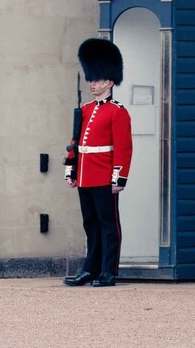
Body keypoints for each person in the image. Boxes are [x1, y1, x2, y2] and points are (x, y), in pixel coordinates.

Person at [62, 38, 132, 287]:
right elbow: (75, 143)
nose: (92, 84)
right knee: (90, 224)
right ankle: (89, 269)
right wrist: (71, 170)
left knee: (108, 225)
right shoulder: (86, 109)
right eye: (91, 79)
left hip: (104, 176)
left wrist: (118, 178)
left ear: (109, 81)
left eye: (97, 79)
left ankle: (108, 270)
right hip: (85, 175)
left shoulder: (117, 111)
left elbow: (123, 148)